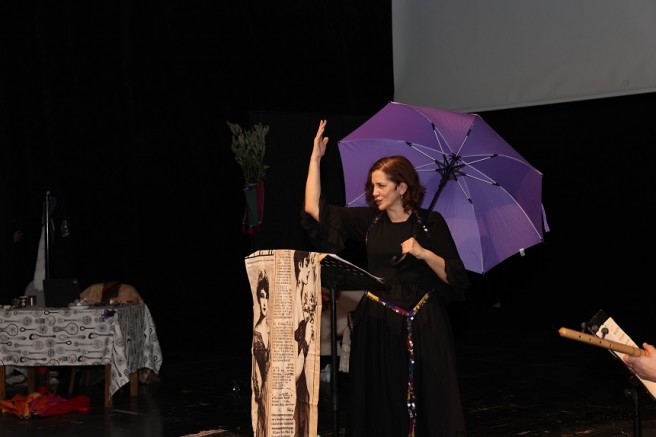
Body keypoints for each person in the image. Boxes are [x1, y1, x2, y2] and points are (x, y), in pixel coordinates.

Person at [302, 120, 471, 436]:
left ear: (402, 188)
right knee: (381, 398)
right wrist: (315, 159)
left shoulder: (430, 223)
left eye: (381, 186)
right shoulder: (369, 221)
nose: (374, 192)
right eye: (372, 186)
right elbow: (314, 209)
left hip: (423, 323)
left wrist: (424, 253)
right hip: (378, 322)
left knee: (429, 398)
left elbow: (455, 277)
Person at [293, 250, 318, 437]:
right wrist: (306, 342)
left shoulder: (300, 293)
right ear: (300, 265)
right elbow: (293, 374)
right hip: (297, 375)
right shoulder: (294, 296)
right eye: (308, 266)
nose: (309, 271)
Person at [252, 270, 271, 436]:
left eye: (267, 296)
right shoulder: (257, 332)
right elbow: (257, 374)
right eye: (262, 296)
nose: (264, 302)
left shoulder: (274, 330)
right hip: (264, 397)